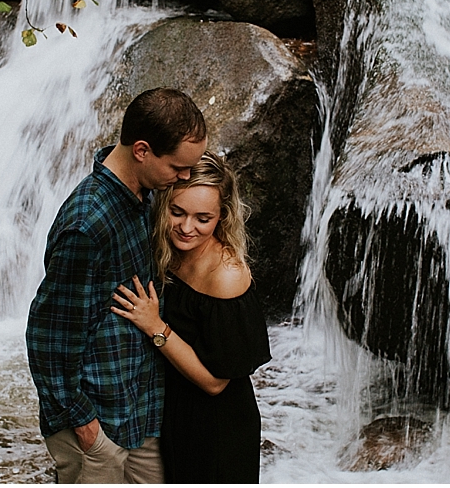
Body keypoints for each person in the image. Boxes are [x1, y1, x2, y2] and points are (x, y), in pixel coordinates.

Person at [26, 87, 207, 483]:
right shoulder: (87, 225)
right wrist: (82, 421)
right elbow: (48, 334)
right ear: (142, 150)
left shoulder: (143, 196)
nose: (185, 177)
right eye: (178, 167)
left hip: (138, 411)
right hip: (95, 424)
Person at [111, 151, 272, 483]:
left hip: (218, 426)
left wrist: (155, 326)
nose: (186, 228)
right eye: (177, 212)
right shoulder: (166, 248)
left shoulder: (225, 274)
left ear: (222, 217)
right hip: (172, 409)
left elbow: (216, 383)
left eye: (203, 218)